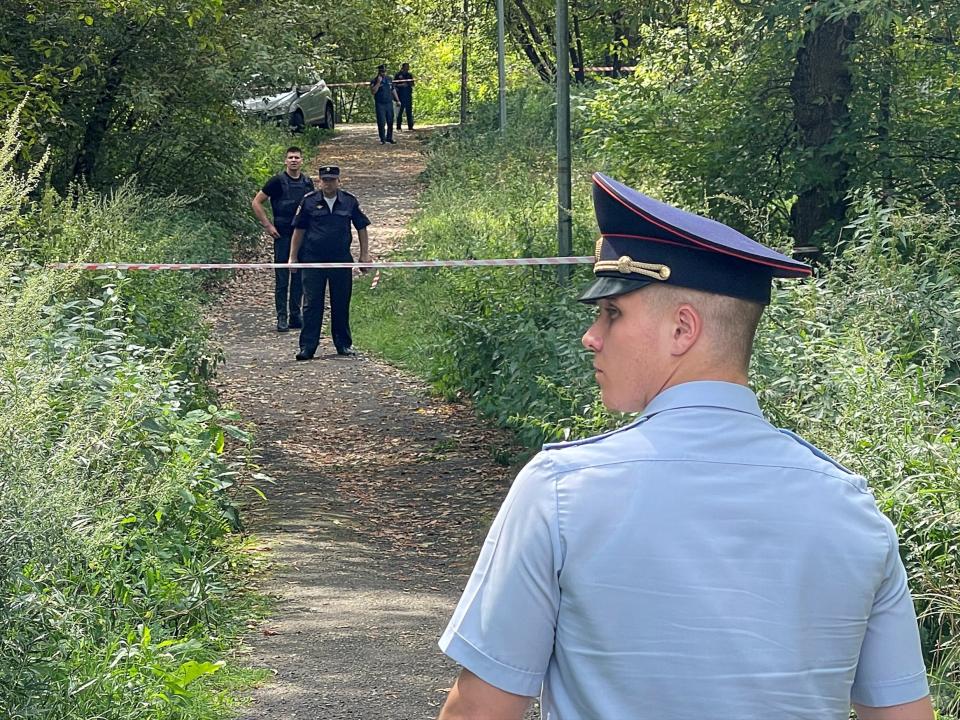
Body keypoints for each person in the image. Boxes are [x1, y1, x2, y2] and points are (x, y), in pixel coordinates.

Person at [436, 172, 933, 720]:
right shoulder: (853, 510)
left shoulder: (561, 492)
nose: (592, 336)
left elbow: (482, 711)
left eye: (613, 312)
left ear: (682, 330)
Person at [289, 165, 371, 360]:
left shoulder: (349, 201)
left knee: (341, 302)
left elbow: (361, 227)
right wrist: (293, 257)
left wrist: (364, 255)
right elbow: (298, 230)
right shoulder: (309, 202)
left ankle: (343, 344)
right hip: (313, 260)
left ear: (338, 181)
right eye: (325, 180)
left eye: (332, 179)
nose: (328, 183)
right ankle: (307, 347)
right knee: (311, 304)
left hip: (341, 259)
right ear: (319, 181)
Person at [251, 146, 315, 332]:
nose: (294, 160)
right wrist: (268, 225)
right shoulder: (277, 182)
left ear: (302, 160)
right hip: (283, 236)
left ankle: (295, 315)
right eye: (290, 157)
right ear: (285, 161)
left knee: (299, 277)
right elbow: (256, 202)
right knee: (282, 278)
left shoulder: (307, 182)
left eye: (297, 157)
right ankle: (282, 317)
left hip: (302, 236)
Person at [370, 64, 400, 144]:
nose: (383, 73)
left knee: (390, 121)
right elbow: (373, 91)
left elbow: (393, 90)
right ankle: (382, 139)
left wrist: (397, 100)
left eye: (384, 71)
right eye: (382, 71)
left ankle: (389, 138)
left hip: (389, 103)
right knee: (381, 122)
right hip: (380, 104)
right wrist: (378, 83)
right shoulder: (374, 80)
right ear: (379, 72)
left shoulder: (389, 79)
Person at [394, 62, 414, 131]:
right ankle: (398, 127)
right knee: (400, 111)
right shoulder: (398, 75)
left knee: (409, 111)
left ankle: (410, 126)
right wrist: (401, 85)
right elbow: (394, 85)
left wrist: (408, 84)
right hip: (400, 96)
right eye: (407, 66)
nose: (408, 68)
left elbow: (412, 84)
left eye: (408, 66)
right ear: (403, 67)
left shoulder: (409, 75)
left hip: (408, 95)